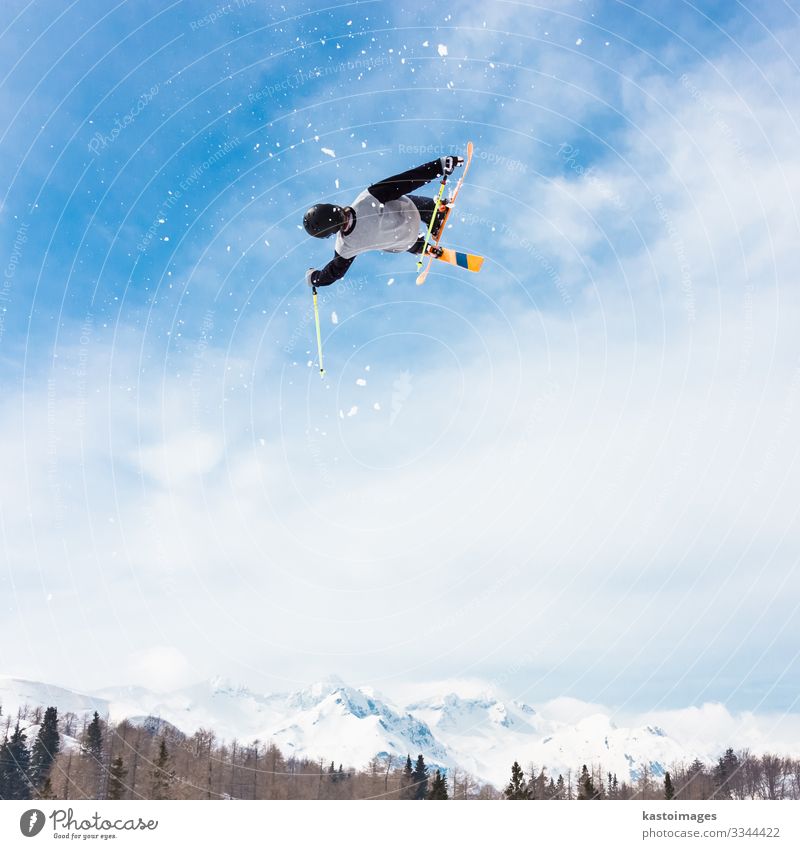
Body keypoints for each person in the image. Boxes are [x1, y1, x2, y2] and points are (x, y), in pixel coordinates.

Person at [303, 154, 464, 288]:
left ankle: (420, 247)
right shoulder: (366, 200)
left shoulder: (345, 247)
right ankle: (433, 213)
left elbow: (333, 273)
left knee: (383, 239)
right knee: (396, 196)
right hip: (411, 215)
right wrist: (439, 166)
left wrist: (314, 278)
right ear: (334, 207)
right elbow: (406, 181)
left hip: (404, 242)